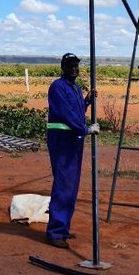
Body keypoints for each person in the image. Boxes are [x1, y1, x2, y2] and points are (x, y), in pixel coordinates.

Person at [45, 53, 97, 248]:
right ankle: (56, 232)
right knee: (63, 184)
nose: (74, 69)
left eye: (76, 65)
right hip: (62, 141)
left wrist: (86, 101)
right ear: (63, 67)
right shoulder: (57, 86)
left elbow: (76, 110)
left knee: (71, 185)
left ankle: (63, 227)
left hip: (73, 141)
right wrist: (85, 129)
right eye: (70, 65)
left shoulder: (74, 87)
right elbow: (66, 114)